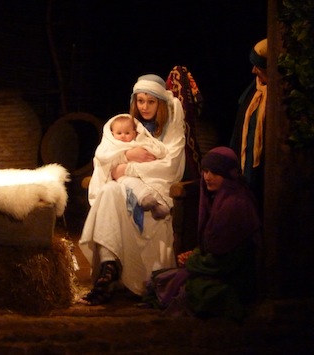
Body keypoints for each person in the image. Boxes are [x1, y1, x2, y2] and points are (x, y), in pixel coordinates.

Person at [79, 74, 186, 305]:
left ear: (160, 103)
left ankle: (139, 278)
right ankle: (109, 266)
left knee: (134, 200)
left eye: (150, 101)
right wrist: (127, 154)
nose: (144, 107)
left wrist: (126, 168)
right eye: (140, 101)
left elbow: (170, 166)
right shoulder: (125, 125)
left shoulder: (170, 128)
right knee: (108, 192)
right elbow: (103, 160)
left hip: (156, 186)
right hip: (123, 187)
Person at [142, 147, 261, 321]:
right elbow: (212, 246)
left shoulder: (235, 205)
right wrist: (196, 254)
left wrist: (193, 260)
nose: (207, 177)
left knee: (191, 288)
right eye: (205, 171)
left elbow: (227, 260)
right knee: (162, 278)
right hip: (215, 268)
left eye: (215, 172)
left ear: (228, 175)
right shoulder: (218, 199)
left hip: (233, 276)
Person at [93, 113, 171, 221]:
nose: (123, 136)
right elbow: (104, 158)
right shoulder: (109, 146)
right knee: (131, 183)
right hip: (123, 177)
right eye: (119, 133)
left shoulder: (140, 142)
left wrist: (149, 151)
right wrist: (125, 156)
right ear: (112, 134)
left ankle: (158, 206)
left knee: (154, 184)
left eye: (127, 133)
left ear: (134, 133)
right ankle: (147, 200)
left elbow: (158, 151)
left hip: (142, 173)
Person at [230, 38, 268, 209]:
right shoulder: (252, 92)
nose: (253, 71)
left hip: (265, 172)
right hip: (246, 167)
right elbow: (239, 130)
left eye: (258, 66)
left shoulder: (275, 97)